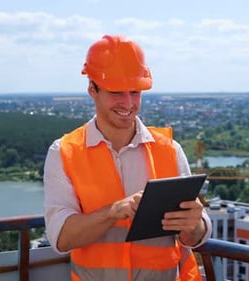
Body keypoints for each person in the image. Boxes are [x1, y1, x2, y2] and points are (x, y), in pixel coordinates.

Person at [43, 34, 212, 281]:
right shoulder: (64, 153)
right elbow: (61, 238)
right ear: (92, 90)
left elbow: (194, 236)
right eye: (116, 92)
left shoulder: (169, 150)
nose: (128, 103)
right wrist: (113, 212)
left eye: (135, 91)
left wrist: (195, 225)